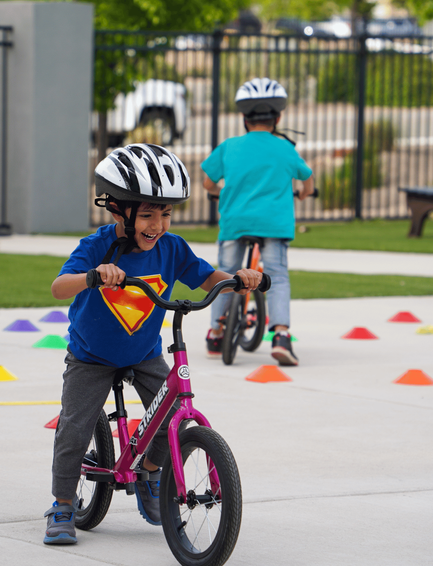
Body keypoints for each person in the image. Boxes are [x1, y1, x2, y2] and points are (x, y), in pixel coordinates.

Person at [44, 144, 263, 545]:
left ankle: (148, 472)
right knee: (74, 429)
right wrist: (93, 275)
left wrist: (238, 278)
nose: (157, 224)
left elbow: (205, 276)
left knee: (172, 413)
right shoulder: (97, 247)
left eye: (165, 213)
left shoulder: (171, 247)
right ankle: (61, 504)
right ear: (118, 211)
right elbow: (59, 288)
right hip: (91, 355)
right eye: (147, 214)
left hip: (143, 352)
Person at [201, 77, 314, 366]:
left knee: (226, 273)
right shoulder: (285, 148)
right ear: (277, 118)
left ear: (244, 118)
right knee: (276, 274)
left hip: (235, 221)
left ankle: (216, 332)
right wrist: (302, 193)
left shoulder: (229, 147)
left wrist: (218, 193)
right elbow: (308, 181)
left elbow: (207, 182)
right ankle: (281, 337)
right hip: (274, 224)